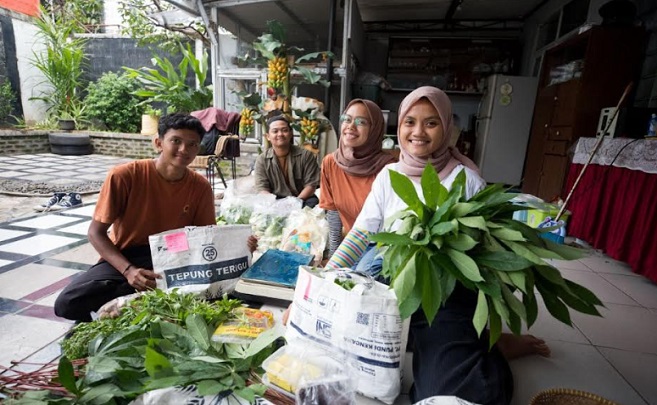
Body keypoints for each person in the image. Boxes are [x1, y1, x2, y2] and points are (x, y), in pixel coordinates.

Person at [323, 87, 549, 404]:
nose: (418, 132)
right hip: (391, 280)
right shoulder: (389, 175)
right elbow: (362, 233)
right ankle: (466, 339)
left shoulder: (465, 179)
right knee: (338, 342)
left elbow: (480, 251)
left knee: (446, 388)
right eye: (410, 122)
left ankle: (487, 345)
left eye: (431, 123)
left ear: (446, 128)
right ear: (398, 126)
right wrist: (323, 283)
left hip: (444, 291)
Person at [54, 113, 256, 322]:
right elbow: (95, 233)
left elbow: (206, 238)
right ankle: (142, 294)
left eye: (192, 144)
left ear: (198, 149)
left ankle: (138, 300)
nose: (184, 150)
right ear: (159, 143)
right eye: (176, 141)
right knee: (68, 302)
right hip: (128, 255)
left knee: (227, 296)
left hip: (177, 256)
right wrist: (129, 271)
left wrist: (241, 247)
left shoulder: (200, 187)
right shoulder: (125, 175)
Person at [319, 98, 396, 257]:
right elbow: (333, 214)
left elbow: (393, 226)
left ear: (375, 129)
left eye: (361, 122)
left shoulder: (389, 169)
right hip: (351, 246)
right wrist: (335, 254)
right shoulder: (331, 163)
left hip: (383, 249)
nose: (350, 126)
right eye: (347, 119)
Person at [254, 115, 320, 208]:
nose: (280, 134)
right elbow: (262, 188)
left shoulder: (306, 156)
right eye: (275, 131)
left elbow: (311, 185)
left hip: (302, 199)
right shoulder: (262, 160)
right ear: (268, 136)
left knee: (313, 204)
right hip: (275, 201)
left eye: (284, 130)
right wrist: (276, 205)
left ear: (290, 133)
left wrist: (295, 202)